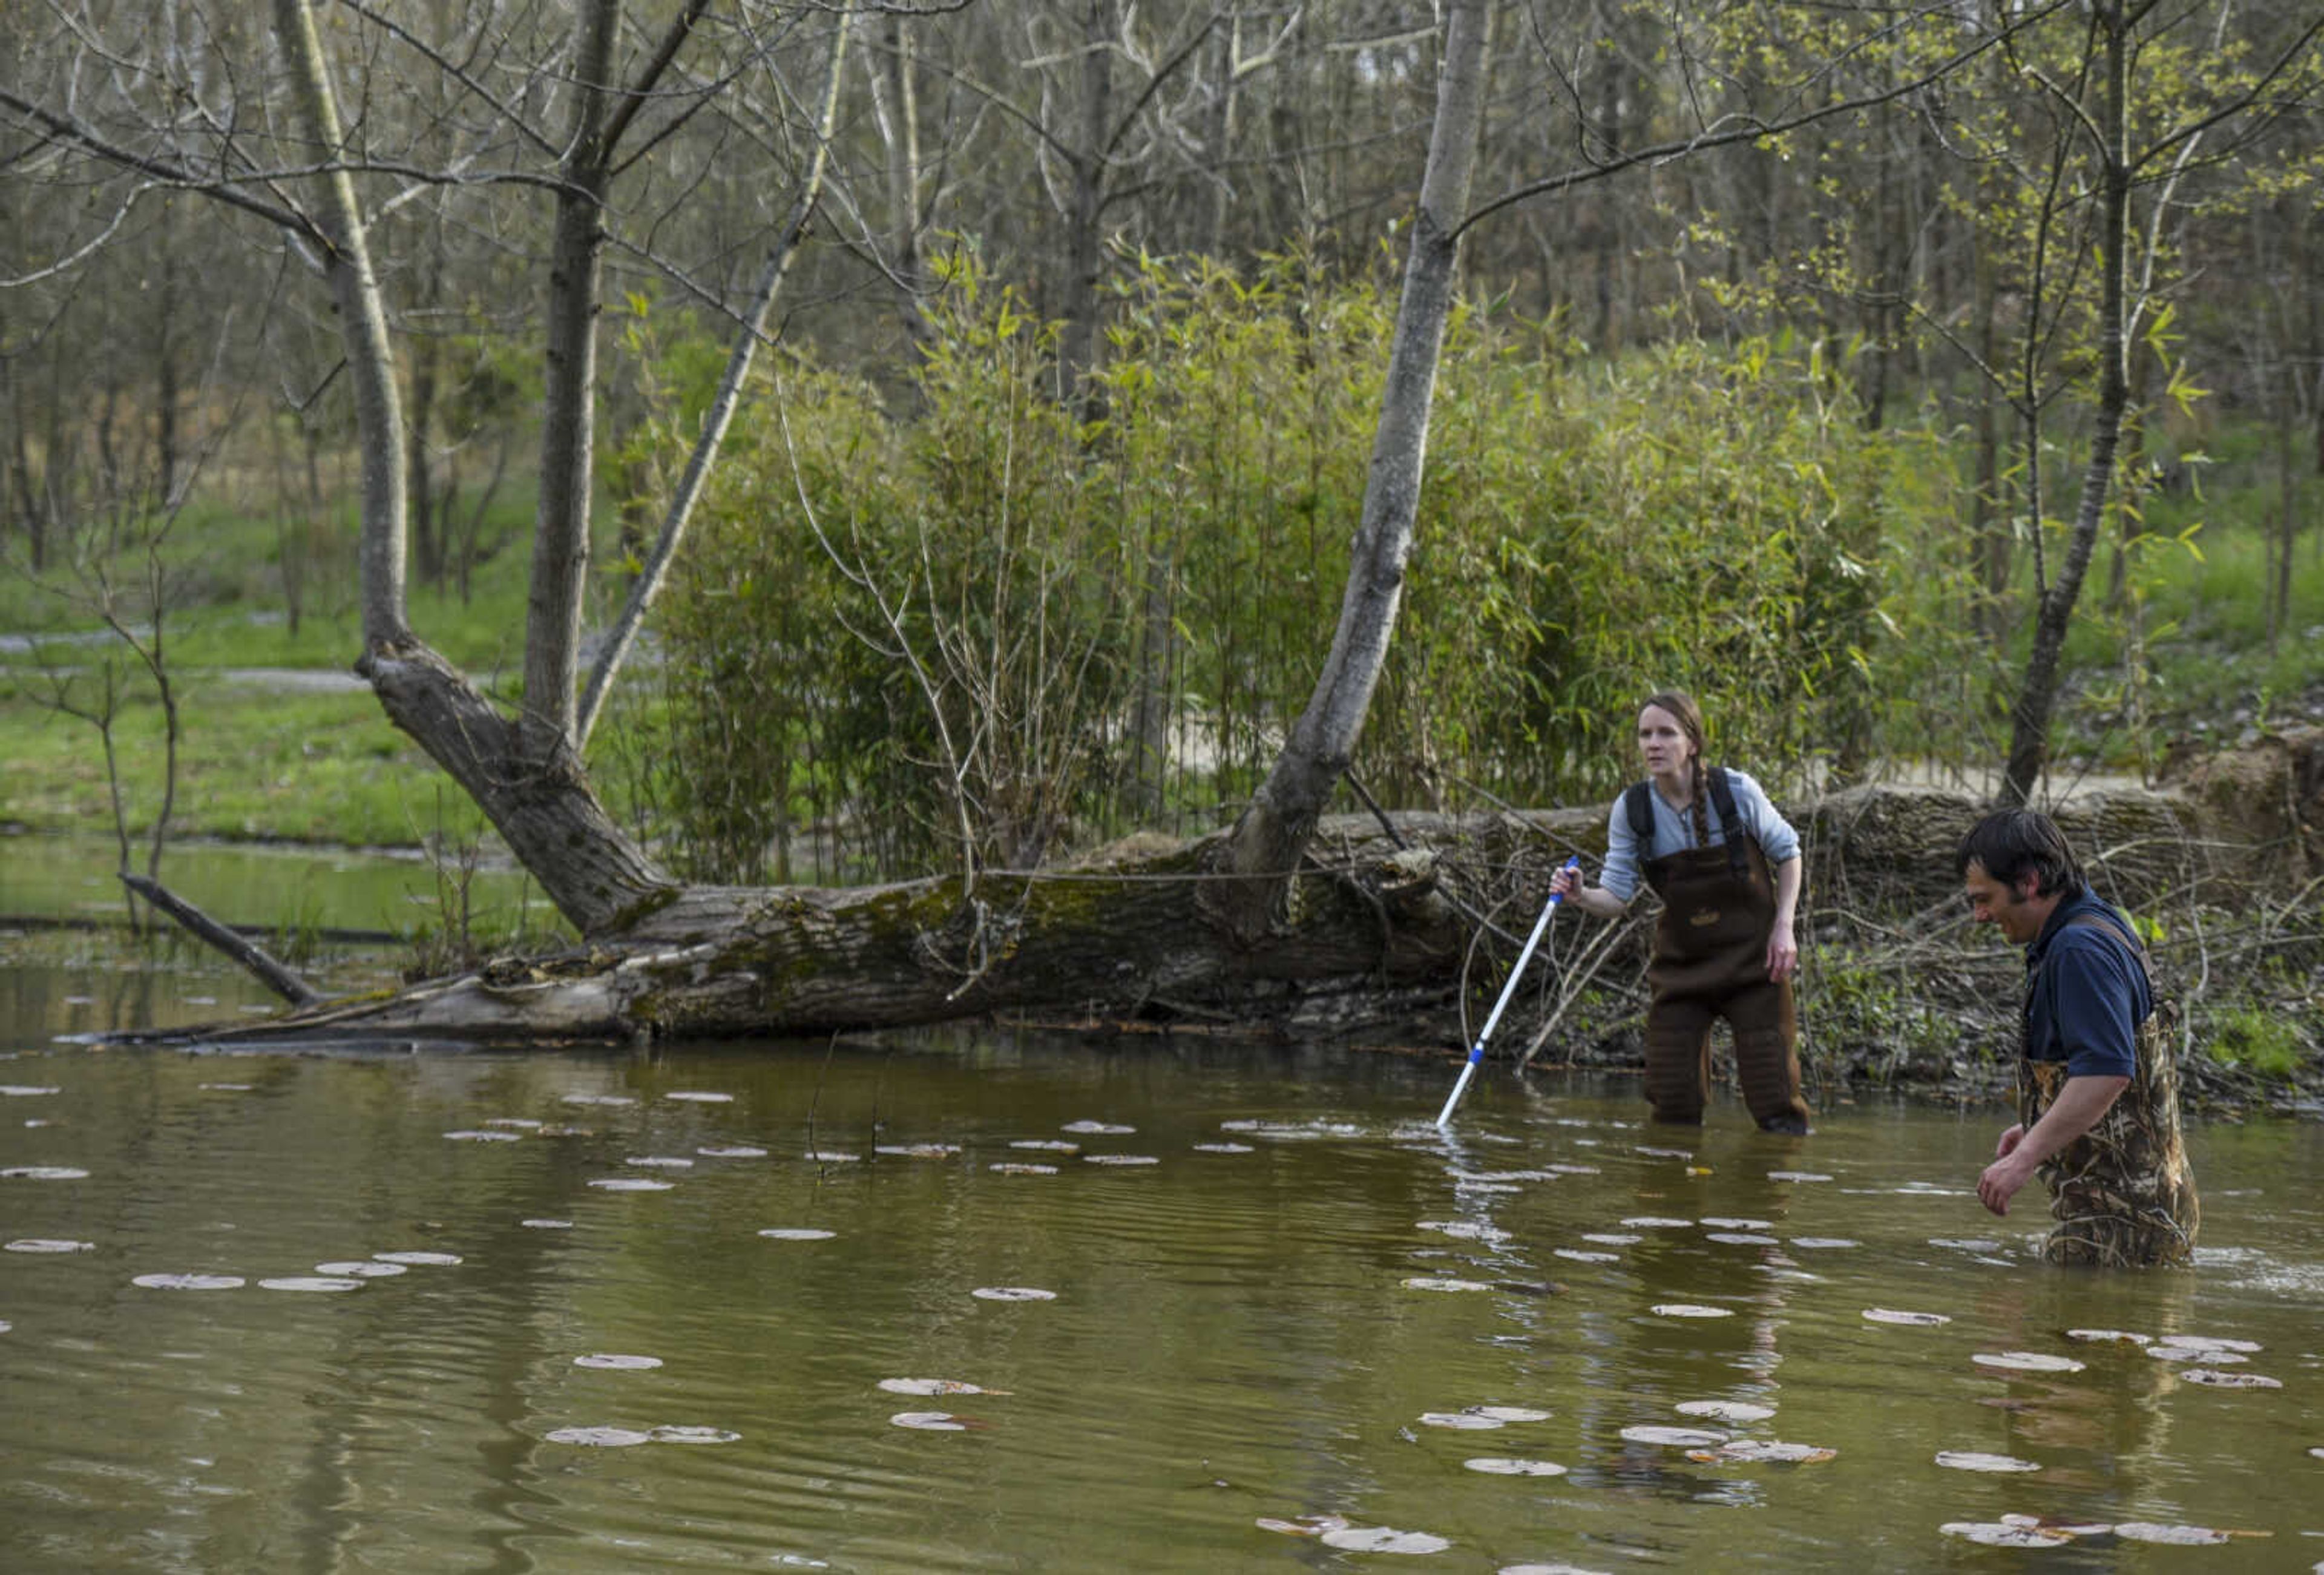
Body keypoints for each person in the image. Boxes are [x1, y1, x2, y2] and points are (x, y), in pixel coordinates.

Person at [1551, 690, 1811, 1134]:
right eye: (1645, 735)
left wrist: (1784, 928)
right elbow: (1616, 898)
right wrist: (1581, 895)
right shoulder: (1633, 809)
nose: (1653, 744)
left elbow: (1789, 853)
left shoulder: (1735, 793)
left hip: (1756, 968)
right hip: (1683, 972)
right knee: (1671, 1105)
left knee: (1777, 1107)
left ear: (1692, 743)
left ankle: (1772, 1193)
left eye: (1666, 733)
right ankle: (1673, 1198)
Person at [1957, 808, 2199, 1267]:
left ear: (2028, 881)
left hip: (2119, 1233)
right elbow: (2113, 1082)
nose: (1979, 915)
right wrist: (2040, 1122)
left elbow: (2108, 1072)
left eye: (1984, 898)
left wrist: (2024, 1158)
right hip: (2143, 1222)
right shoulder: (2099, 926)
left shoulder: (2079, 950)